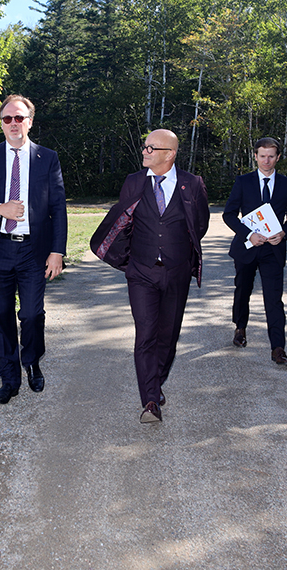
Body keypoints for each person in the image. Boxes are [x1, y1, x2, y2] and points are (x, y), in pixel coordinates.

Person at [90, 129, 210, 423]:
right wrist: (126, 260)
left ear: (169, 154)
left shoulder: (191, 184)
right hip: (141, 272)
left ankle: (156, 382)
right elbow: (121, 221)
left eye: (150, 148)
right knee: (145, 334)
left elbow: (201, 224)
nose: (144, 151)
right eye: (144, 147)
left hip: (177, 272)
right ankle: (150, 401)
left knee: (167, 336)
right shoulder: (133, 182)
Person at [0, 95, 68, 404]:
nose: (13, 123)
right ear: (1, 123)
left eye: (19, 118)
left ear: (30, 122)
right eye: (7, 118)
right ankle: (9, 379)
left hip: (34, 252)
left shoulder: (47, 158)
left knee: (33, 314)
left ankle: (32, 361)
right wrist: (0, 208)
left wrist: (57, 251)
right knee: (1, 318)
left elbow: (58, 208)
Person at [221, 137, 287, 367]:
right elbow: (229, 214)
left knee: (274, 299)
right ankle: (240, 328)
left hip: (273, 250)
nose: (267, 160)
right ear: (255, 156)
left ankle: (278, 348)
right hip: (247, 248)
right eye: (262, 156)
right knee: (242, 290)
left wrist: (284, 232)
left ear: (277, 157)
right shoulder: (243, 181)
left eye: (271, 156)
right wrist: (249, 234)